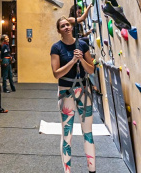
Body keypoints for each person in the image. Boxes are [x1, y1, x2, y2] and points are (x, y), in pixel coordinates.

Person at [50, 17, 96, 173]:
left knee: (88, 132)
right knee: (67, 133)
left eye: (68, 24)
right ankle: (67, 171)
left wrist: (81, 58)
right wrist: (72, 61)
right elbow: (56, 74)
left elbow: (91, 69)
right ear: (59, 30)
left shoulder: (82, 44)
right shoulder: (56, 48)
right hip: (66, 92)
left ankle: (92, 170)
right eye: (63, 26)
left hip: (84, 90)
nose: (66, 27)